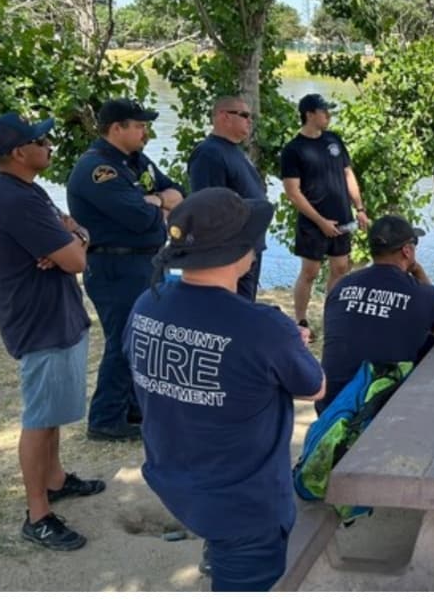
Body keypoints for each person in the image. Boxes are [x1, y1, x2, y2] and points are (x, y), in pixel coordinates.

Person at [123, 187, 325, 591]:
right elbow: (315, 387)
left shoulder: (147, 303)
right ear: (241, 253)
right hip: (245, 505)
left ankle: (215, 556)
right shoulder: (263, 327)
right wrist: (287, 342)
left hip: (175, 478)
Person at [0, 113, 107, 551]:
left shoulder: (26, 192)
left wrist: (74, 236)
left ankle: (54, 480)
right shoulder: (12, 199)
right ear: (19, 152)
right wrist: (70, 244)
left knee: (52, 412)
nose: (50, 144)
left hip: (57, 315)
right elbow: (77, 260)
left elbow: (74, 235)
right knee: (38, 419)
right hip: (39, 322)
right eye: (41, 140)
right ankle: (37, 514)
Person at [67, 98, 184, 441]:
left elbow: (178, 190)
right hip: (114, 265)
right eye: (139, 125)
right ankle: (105, 417)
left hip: (145, 261)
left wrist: (157, 201)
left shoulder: (134, 161)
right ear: (116, 128)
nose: (145, 131)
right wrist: (160, 203)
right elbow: (138, 216)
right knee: (124, 339)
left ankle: (133, 406)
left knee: (144, 337)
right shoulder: (98, 169)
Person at [319, 215, 434, 413]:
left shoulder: (342, 286)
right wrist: (419, 273)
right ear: (407, 250)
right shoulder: (423, 294)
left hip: (330, 403)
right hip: (377, 410)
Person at [280, 93, 369, 331]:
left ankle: (332, 315)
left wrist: (359, 208)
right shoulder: (293, 149)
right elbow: (293, 192)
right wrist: (320, 221)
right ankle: (300, 320)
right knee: (310, 271)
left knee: (341, 267)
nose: (328, 115)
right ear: (309, 114)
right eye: (324, 111)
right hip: (313, 221)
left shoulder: (334, 140)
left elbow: (348, 174)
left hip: (342, 216)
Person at [187, 95, 269, 301]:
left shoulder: (234, 150)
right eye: (244, 115)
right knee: (231, 310)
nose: (249, 120)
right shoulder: (209, 153)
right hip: (231, 253)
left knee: (245, 308)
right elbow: (208, 207)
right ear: (224, 117)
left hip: (249, 247)